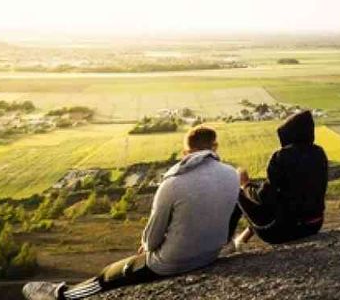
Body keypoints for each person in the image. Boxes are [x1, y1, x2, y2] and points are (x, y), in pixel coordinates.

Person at [23, 126, 239, 299]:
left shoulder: (173, 183)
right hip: (211, 254)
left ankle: (60, 294)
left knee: (109, 275)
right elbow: (230, 217)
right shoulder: (232, 174)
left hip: (174, 262)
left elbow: (152, 239)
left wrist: (146, 249)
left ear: (185, 152)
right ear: (215, 146)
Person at [230, 110, 328, 246]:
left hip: (282, 232)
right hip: (314, 225)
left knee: (235, 191)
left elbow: (262, 198)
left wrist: (244, 183)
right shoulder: (319, 153)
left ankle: (226, 243)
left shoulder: (281, 157)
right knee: (279, 202)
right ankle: (242, 239)